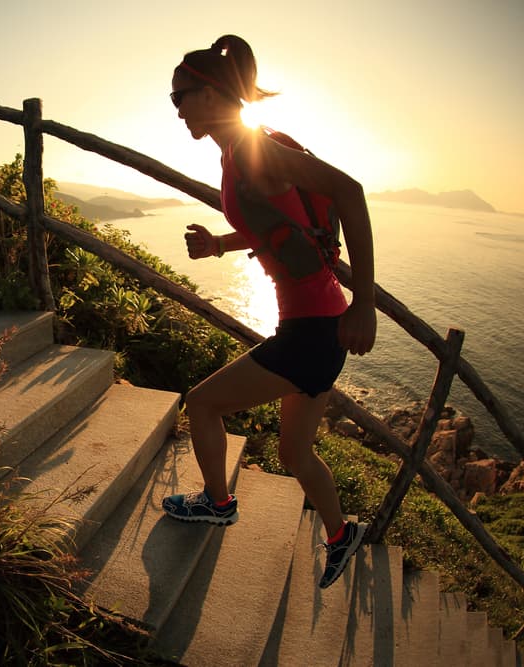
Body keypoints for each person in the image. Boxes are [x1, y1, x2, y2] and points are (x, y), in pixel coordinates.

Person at [160, 34, 377, 589]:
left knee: (202, 404)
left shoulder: (255, 151)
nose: (176, 108)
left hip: (314, 331)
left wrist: (366, 303)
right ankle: (341, 535)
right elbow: (275, 225)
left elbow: (350, 191)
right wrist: (219, 245)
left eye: (180, 96)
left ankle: (217, 503)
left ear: (210, 95)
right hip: (316, 326)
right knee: (295, 452)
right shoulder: (237, 153)